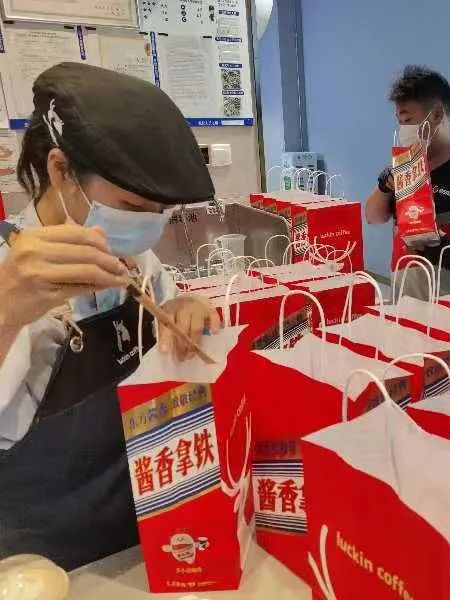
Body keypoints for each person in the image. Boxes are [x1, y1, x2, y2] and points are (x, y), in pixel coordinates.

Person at [0, 63, 221, 569]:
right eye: (132, 205)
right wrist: (6, 312)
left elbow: (165, 363)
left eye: (161, 212)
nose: (149, 226)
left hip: (142, 540)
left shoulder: (137, 261)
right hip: (40, 565)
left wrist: (182, 313)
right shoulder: (9, 272)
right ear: (61, 171)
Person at [365, 65, 450, 298]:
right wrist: (383, 186)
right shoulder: (407, 167)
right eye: (400, 122)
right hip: (404, 296)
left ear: (438, 114)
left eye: (408, 121)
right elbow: (373, 217)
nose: (403, 130)